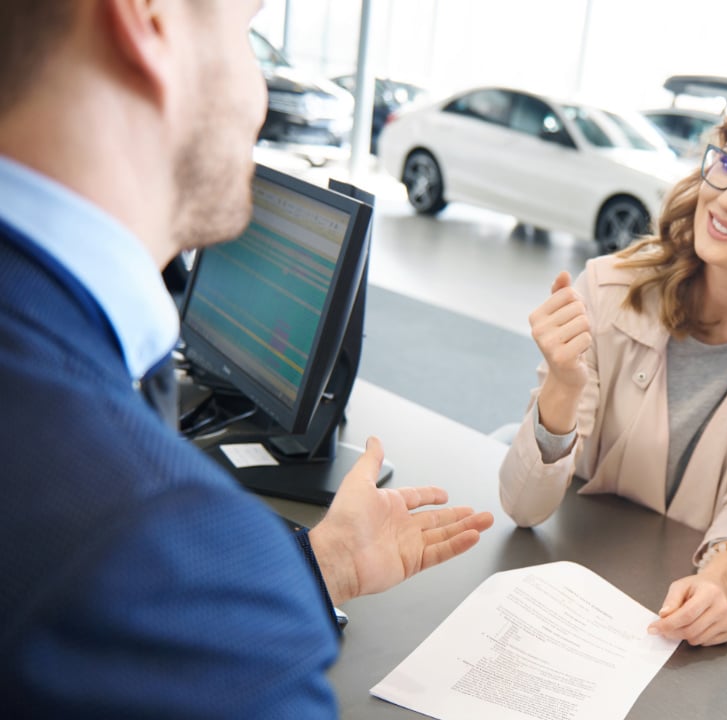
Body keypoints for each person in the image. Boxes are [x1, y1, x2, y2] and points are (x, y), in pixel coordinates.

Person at [0, 1, 493, 715]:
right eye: (243, 30)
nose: (260, 95)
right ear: (150, 18)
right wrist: (236, 588)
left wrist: (319, 566)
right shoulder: (170, 561)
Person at [499, 97, 727, 647]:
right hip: (572, 581)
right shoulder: (607, 287)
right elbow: (524, 507)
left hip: (667, 605)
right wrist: (563, 385)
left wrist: (718, 580)